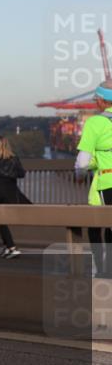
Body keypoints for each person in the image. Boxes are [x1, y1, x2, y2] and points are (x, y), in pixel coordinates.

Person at [77, 79, 112, 276]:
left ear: (101, 100)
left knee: (97, 226)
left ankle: (102, 271)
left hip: (107, 183)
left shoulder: (95, 122)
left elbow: (82, 162)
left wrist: (80, 174)